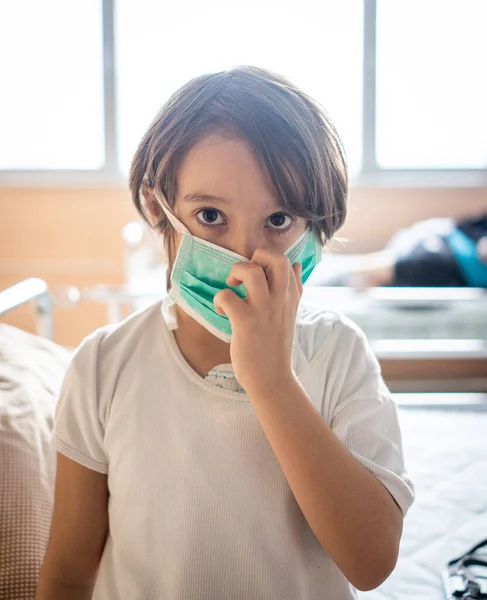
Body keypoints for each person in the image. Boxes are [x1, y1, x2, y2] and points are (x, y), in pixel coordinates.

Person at [36, 66, 415, 600]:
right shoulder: (104, 365)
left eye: (279, 220)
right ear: (156, 207)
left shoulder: (338, 353)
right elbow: (68, 574)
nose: (244, 257)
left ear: (312, 229)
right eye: (210, 215)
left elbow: (372, 560)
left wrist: (272, 382)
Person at [318, 214, 487, 290]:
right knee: (383, 266)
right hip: (447, 242)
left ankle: (349, 275)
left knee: (396, 267)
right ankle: (336, 273)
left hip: (453, 266)